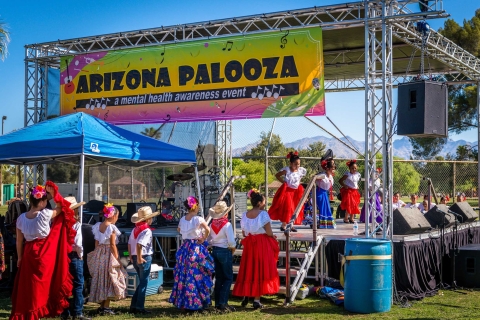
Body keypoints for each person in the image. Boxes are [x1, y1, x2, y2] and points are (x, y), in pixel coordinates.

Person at [11, 182, 77, 320]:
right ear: (41, 202)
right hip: (44, 251)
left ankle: (32, 311)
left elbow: (19, 241)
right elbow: (61, 208)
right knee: (43, 284)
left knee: (30, 285)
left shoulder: (20, 218)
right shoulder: (45, 214)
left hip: (28, 252)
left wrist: (20, 257)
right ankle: (38, 310)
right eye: (45, 200)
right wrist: (54, 194)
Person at [233, 189, 279, 309]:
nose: (265, 204)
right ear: (259, 203)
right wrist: (271, 236)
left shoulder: (244, 215)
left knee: (249, 268)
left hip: (249, 245)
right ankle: (256, 299)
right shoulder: (263, 214)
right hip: (261, 244)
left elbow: (244, 233)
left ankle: (246, 295)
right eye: (264, 202)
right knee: (259, 269)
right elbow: (269, 232)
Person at [169, 196, 214, 311]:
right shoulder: (198, 219)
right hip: (195, 248)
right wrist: (203, 238)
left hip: (185, 248)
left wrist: (187, 233)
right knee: (197, 273)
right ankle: (196, 303)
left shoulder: (183, 219)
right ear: (196, 206)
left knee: (184, 274)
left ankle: (185, 303)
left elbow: (179, 230)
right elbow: (207, 229)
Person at [88, 204, 127, 315]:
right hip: (109, 254)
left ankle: (102, 305)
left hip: (100, 253)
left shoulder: (98, 226)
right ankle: (106, 306)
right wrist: (117, 259)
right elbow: (112, 244)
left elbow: (96, 242)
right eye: (117, 216)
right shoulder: (111, 227)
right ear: (113, 215)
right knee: (110, 278)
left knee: (102, 278)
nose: (117, 218)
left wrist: (97, 254)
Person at [61, 197, 90, 320]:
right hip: (74, 256)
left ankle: (64, 312)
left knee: (63, 284)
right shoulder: (76, 224)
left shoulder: (58, 224)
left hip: (62, 256)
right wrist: (81, 255)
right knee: (78, 284)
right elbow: (78, 244)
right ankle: (78, 312)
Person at [128, 206, 159, 314]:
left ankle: (134, 305)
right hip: (144, 257)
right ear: (149, 219)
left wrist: (132, 256)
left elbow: (129, 243)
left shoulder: (135, 229)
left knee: (141, 282)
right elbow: (139, 244)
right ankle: (139, 307)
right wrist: (140, 257)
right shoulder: (146, 230)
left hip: (136, 256)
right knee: (143, 283)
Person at [207, 201, 236, 312]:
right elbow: (231, 242)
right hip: (224, 250)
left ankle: (218, 302)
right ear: (226, 213)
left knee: (219, 278)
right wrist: (232, 250)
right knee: (228, 277)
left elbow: (209, 240)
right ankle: (223, 303)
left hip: (215, 250)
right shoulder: (227, 225)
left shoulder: (211, 224)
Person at [269, 151, 307, 231]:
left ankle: (291, 224)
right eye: (295, 164)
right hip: (288, 192)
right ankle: (284, 225)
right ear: (291, 163)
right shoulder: (287, 170)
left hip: (296, 192)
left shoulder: (300, 171)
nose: (297, 166)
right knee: (288, 208)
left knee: (294, 208)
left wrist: (299, 185)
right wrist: (283, 182)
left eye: (298, 164)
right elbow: (277, 175)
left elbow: (299, 179)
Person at [316, 158, 336, 229]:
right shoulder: (322, 175)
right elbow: (314, 178)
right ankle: (318, 223)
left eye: (334, 168)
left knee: (326, 209)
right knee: (321, 208)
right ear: (327, 168)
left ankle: (324, 224)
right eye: (332, 168)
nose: (334, 170)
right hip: (319, 193)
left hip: (325, 194)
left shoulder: (330, 176)